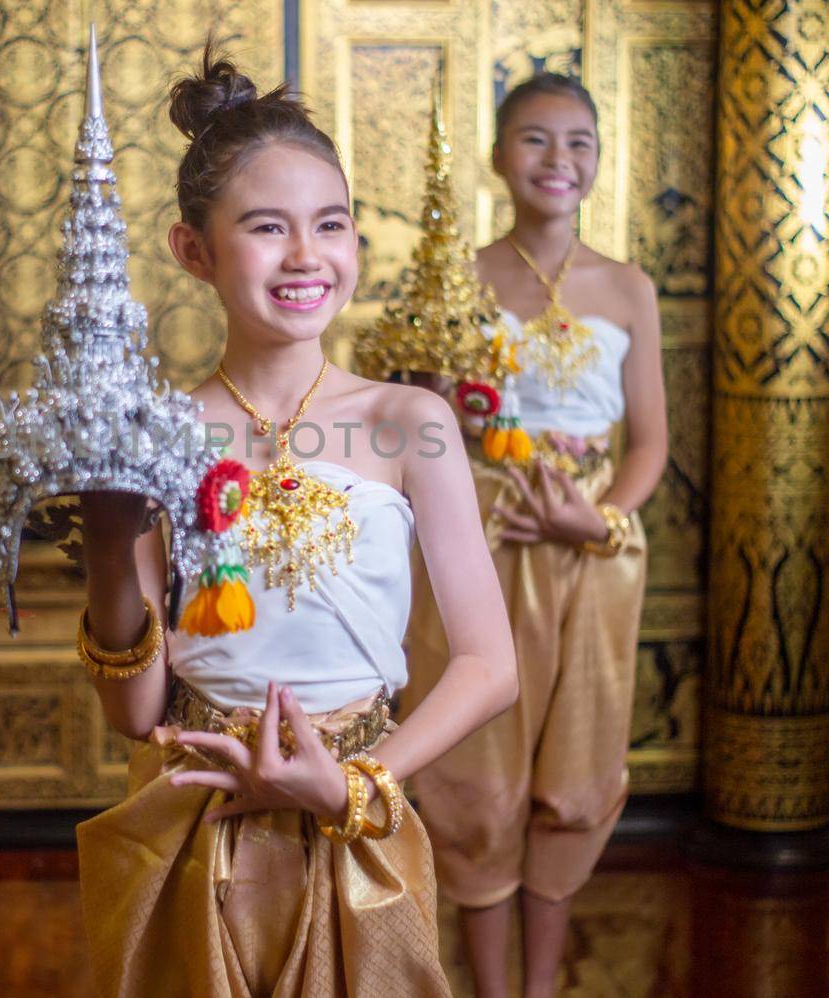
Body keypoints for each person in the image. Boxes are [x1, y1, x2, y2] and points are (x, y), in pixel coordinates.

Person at [74, 48, 518, 997]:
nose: (307, 255)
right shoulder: (156, 434)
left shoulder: (411, 423)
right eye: (266, 228)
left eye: (332, 225)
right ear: (192, 250)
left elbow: (490, 665)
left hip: (357, 812)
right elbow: (135, 711)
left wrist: (352, 785)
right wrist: (112, 547)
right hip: (196, 813)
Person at [402, 73, 668, 998]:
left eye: (580, 142)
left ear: (599, 158)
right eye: (537, 140)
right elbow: (426, 424)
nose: (560, 160)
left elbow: (651, 443)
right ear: (497, 156)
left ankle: (542, 986)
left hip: (592, 542)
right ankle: (487, 986)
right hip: (486, 525)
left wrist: (597, 517)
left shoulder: (629, 288)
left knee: (576, 767)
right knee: (481, 767)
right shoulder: (460, 278)